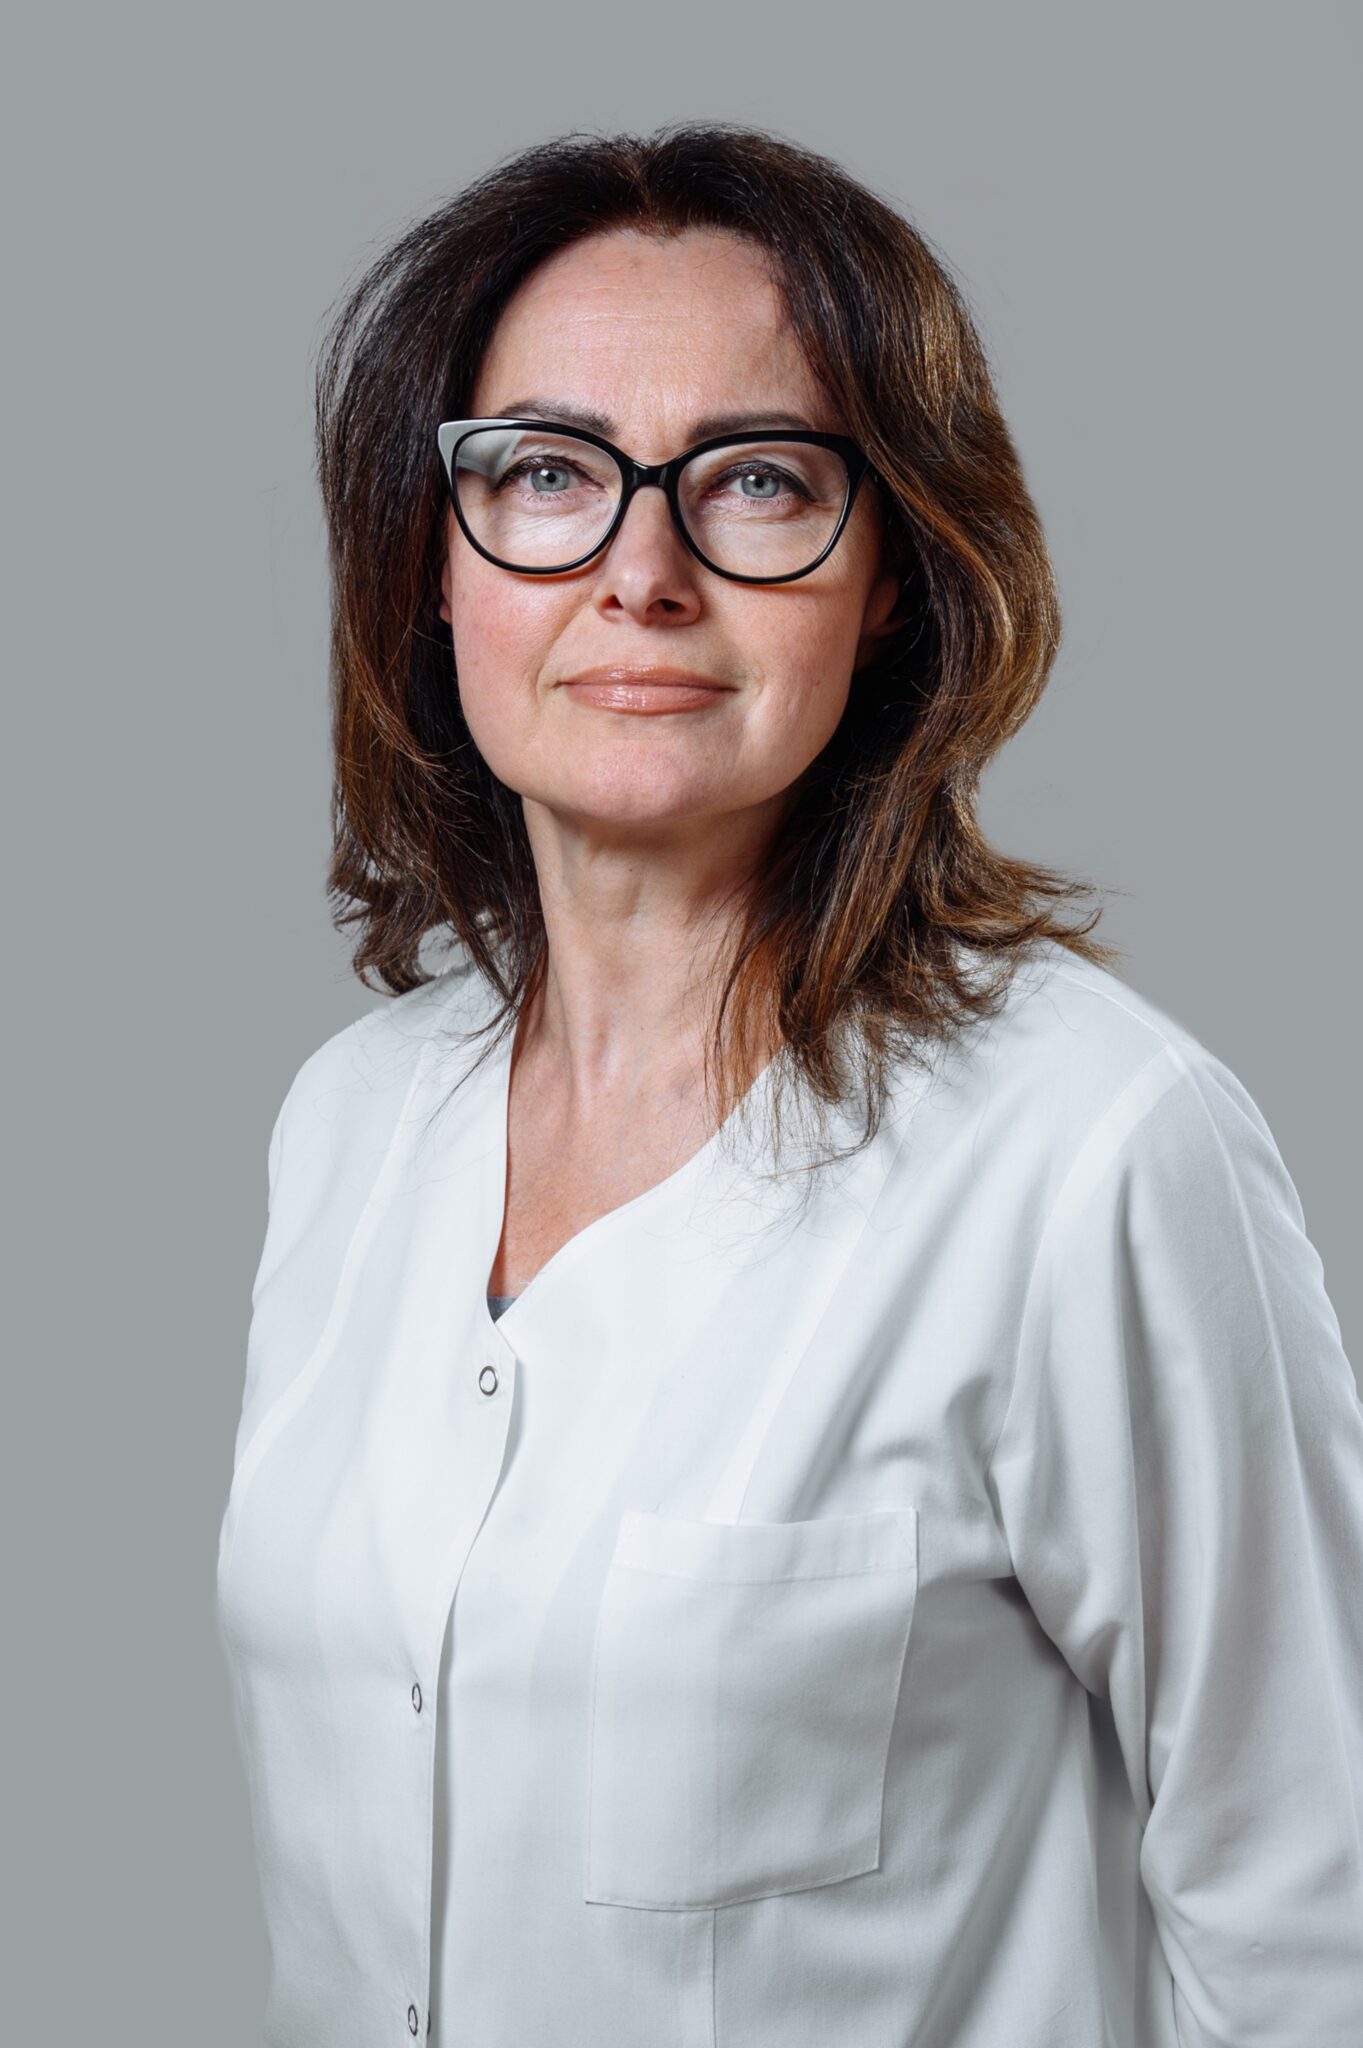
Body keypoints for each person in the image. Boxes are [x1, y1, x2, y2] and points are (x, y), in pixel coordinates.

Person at [214, 122, 1363, 2048]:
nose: (640, 573)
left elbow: (1318, 1917)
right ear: (435, 563)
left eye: (756, 480)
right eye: (547, 473)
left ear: (894, 569)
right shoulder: (346, 1124)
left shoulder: (1091, 1150)